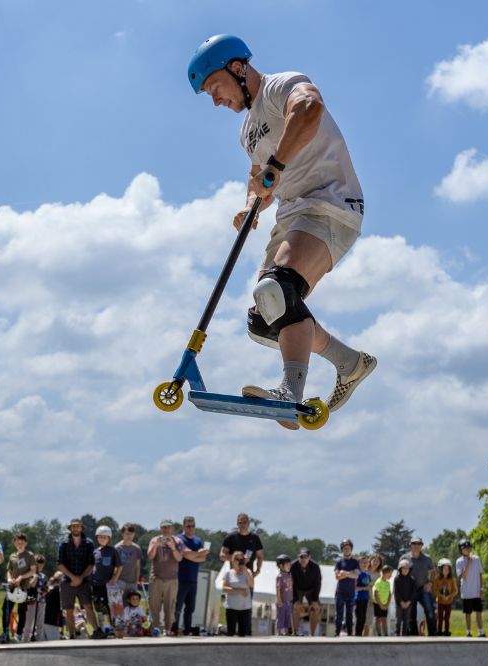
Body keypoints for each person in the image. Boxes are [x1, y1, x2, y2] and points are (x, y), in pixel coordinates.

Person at [187, 35, 376, 427]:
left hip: (329, 202)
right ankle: (349, 362)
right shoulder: (246, 132)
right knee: (264, 316)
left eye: (214, 87)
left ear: (237, 69)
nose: (215, 100)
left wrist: (277, 164)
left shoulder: (281, 86)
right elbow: (259, 177)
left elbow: (309, 108)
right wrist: (250, 205)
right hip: (292, 215)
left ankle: (290, 393)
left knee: (278, 289)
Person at [56, 518, 101, 640]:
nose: (75, 528)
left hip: (84, 580)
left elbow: (91, 564)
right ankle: (72, 635)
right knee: (69, 609)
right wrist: (72, 577)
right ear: (70, 528)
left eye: (78, 526)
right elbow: (60, 564)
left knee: (88, 606)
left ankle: (97, 631)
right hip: (67, 580)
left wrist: (80, 577)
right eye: (73, 526)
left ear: (81, 528)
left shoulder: (89, 543)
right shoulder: (63, 543)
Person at [147, 519, 183, 636]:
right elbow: (150, 556)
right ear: (160, 529)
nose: (166, 530)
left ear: (172, 529)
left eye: (168, 527)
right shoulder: (154, 540)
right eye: (164, 527)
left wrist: (173, 548)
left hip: (172, 580)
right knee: (154, 606)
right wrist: (156, 545)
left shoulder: (178, 541)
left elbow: (179, 558)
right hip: (156, 578)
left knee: (170, 607)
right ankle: (155, 628)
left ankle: (168, 630)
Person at [175, 516, 209, 636]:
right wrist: (197, 555)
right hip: (180, 578)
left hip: (193, 579)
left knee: (190, 608)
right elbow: (184, 554)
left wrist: (193, 556)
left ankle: (187, 629)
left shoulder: (198, 540)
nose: (190, 528)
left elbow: (203, 558)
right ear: (183, 526)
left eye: (192, 526)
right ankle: (174, 628)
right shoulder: (179, 539)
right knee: (177, 607)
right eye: (188, 526)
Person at [2, 533, 36, 643]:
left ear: (26, 543)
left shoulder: (29, 555)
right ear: (14, 543)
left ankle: (18, 635)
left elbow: (33, 571)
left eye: (22, 542)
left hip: (23, 587)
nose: (19, 544)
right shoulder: (12, 556)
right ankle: (5, 633)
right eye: (17, 542)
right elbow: (9, 570)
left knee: (22, 612)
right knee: (6, 610)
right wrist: (9, 578)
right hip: (12, 587)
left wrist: (22, 577)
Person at [90, 526, 122, 635]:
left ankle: (112, 629)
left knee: (108, 606)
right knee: (98, 606)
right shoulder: (95, 552)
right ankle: (102, 628)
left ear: (109, 538)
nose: (102, 539)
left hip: (107, 585)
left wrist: (114, 578)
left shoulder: (112, 551)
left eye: (104, 537)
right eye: (100, 537)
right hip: (95, 584)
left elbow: (119, 566)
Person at [455, 538, 485, 637]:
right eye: (465, 548)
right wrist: (468, 563)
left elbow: (480, 574)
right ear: (461, 550)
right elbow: (462, 576)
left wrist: (481, 588)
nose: (467, 550)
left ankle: (480, 631)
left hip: (476, 591)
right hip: (466, 592)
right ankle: (468, 632)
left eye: (468, 548)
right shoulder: (459, 561)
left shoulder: (476, 559)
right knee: (468, 613)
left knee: (479, 612)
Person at [407, 537, 435, 637]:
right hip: (410, 590)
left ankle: (433, 635)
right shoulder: (404, 558)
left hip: (423, 588)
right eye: (414, 543)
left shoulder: (427, 558)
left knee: (430, 610)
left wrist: (430, 583)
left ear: (422, 545)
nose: (416, 546)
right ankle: (414, 636)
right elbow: (400, 575)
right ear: (410, 545)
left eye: (419, 544)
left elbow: (433, 572)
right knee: (411, 613)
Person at [291, 547, 323, 637]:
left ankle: (312, 634)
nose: (303, 559)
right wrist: (295, 600)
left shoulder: (315, 567)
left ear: (309, 557)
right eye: (301, 557)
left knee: (315, 609)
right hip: (297, 589)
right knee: (295, 608)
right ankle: (295, 632)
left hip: (311, 590)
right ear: (298, 557)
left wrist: (315, 600)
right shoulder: (292, 566)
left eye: (305, 557)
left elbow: (318, 583)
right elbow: (291, 584)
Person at [223, 552, 254, 636]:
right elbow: (224, 588)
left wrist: (246, 573)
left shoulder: (248, 572)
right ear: (233, 561)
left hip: (245, 608)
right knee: (230, 633)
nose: (239, 561)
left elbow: (251, 585)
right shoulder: (229, 573)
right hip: (231, 607)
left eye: (241, 560)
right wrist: (238, 591)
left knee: (243, 634)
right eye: (237, 559)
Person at [332, 539, 359, 637]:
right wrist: (349, 573)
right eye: (344, 548)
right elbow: (337, 576)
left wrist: (344, 573)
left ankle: (350, 633)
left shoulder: (355, 561)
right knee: (338, 613)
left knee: (349, 614)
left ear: (351, 549)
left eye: (348, 548)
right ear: (342, 550)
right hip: (340, 592)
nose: (346, 550)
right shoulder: (339, 561)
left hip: (350, 592)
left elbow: (356, 575)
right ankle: (337, 632)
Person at [22, 555, 48, 642]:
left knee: (40, 621)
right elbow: (31, 585)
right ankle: (25, 638)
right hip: (31, 599)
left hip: (41, 600)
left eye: (41, 565)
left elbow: (46, 588)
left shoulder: (44, 576)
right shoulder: (31, 574)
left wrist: (45, 591)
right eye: (38, 565)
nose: (39, 567)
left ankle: (38, 639)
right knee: (29, 620)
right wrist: (35, 576)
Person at [115, 524, 142, 594]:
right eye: (127, 534)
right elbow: (114, 567)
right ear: (122, 534)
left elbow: (137, 566)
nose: (129, 536)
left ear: (134, 535)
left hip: (132, 582)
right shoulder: (117, 548)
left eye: (131, 534)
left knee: (131, 604)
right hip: (119, 581)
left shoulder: (137, 548)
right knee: (119, 604)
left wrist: (136, 581)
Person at [433, 558, 457, 637]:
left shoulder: (452, 580)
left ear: (450, 570)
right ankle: (439, 631)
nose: (446, 570)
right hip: (440, 602)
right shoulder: (437, 579)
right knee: (440, 617)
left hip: (448, 602)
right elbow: (434, 590)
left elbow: (455, 591)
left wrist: (449, 596)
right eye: (444, 569)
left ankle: (446, 631)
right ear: (440, 569)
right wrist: (440, 596)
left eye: (447, 569)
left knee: (447, 617)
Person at [393, 559, 416, 637]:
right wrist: (401, 602)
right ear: (400, 569)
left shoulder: (412, 580)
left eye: (407, 568)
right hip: (399, 603)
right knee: (398, 620)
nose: (405, 570)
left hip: (409, 603)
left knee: (406, 620)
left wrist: (409, 602)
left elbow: (413, 593)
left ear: (409, 569)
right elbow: (396, 592)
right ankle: (397, 632)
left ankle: (405, 634)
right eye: (404, 568)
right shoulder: (397, 579)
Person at [275, 554, 293, 636]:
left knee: (287, 616)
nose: (289, 566)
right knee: (281, 616)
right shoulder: (280, 576)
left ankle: (286, 630)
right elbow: (278, 588)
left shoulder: (289, 575)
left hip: (288, 600)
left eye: (290, 564)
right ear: (281, 565)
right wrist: (279, 599)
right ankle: (279, 631)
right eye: (287, 564)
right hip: (282, 601)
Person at [372, 565, 393, 637]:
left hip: (385, 604)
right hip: (378, 604)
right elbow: (376, 594)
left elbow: (389, 594)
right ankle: (379, 635)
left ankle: (386, 634)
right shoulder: (378, 582)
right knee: (378, 619)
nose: (391, 575)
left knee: (384, 619)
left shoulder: (388, 583)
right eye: (390, 574)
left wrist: (387, 604)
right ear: (385, 573)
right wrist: (380, 604)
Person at [354, 560, 373, 637]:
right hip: (358, 599)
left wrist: (370, 598)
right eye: (363, 562)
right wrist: (364, 588)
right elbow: (354, 587)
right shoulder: (357, 574)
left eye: (366, 563)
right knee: (359, 618)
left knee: (363, 619)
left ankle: (359, 635)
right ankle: (357, 635)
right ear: (359, 564)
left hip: (365, 599)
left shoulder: (368, 575)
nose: (365, 564)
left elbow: (369, 587)